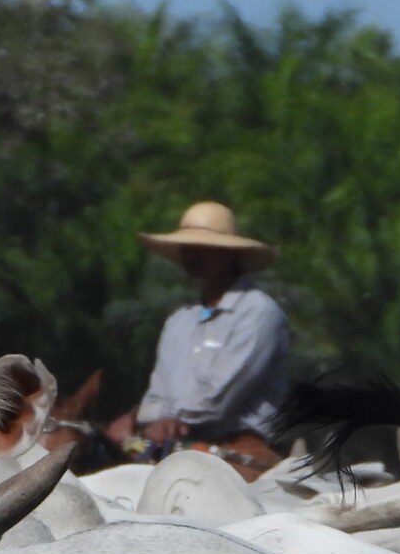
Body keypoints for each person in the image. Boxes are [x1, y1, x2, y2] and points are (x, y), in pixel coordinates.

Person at [104, 200, 292, 472]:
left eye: (204, 250)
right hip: (177, 445)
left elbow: (220, 397)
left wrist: (174, 420)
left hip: (241, 446)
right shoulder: (179, 320)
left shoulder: (257, 312)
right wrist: (141, 418)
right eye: (188, 249)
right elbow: (158, 392)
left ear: (230, 255)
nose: (193, 257)